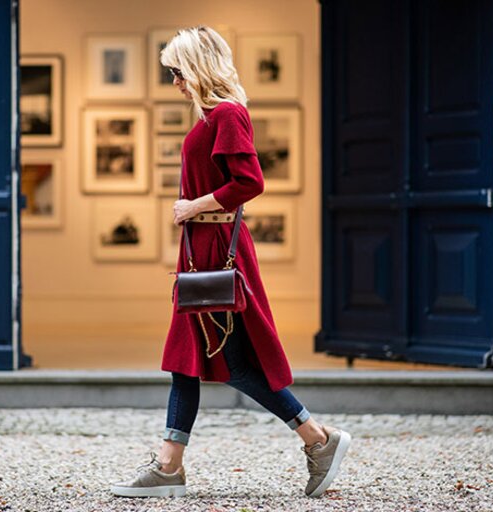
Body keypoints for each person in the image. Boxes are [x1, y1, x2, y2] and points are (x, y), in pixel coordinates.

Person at [110, 25, 351, 499]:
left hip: (216, 251)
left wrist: (192, 205)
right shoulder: (211, 118)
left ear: (198, 69)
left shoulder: (228, 115)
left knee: (230, 362)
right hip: (203, 253)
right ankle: (171, 465)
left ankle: (316, 439)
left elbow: (250, 181)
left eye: (177, 72)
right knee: (192, 359)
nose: (175, 82)